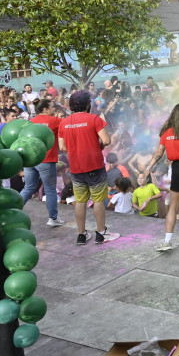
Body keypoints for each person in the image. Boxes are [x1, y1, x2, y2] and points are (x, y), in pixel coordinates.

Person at [138, 103, 179, 251]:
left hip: (177, 169)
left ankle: (167, 241)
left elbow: (158, 152)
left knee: (173, 207)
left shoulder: (167, 133)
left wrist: (148, 168)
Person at [58, 91, 119, 245]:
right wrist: (93, 145)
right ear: (87, 104)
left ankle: (81, 235)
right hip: (95, 167)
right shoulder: (94, 119)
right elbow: (106, 140)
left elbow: (62, 147)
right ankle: (101, 234)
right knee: (98, 200)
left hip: (76, 168)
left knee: (80, 201)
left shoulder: (64, 123)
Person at [19, 99, 64, 228]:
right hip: (46, 159)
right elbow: (67, 125)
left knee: (28, 187)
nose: (54, 109)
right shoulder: (54, 121)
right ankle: (53, 218)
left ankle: (14, 210)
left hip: (30, 160)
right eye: (52, 107)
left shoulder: (30, 122)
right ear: (45, 109)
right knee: (50, 189)